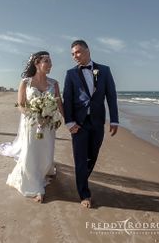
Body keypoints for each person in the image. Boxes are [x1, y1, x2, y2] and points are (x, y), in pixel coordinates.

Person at [0, 51, 63, 203]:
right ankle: (33, 186)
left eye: (50, 61)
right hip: (32, 123)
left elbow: (59, 103)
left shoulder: (54, 83)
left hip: (48, 124)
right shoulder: (25, 82)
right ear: (37, 63)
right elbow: (21, 105)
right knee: (31, 151)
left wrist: (66, 120)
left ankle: (45, 170)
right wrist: (36, 114)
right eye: (46, 61)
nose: (50, 64)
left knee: (47, 150)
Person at [63, 40, 119, 208]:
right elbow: (68, 100)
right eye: (73, 54)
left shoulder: (104, 70)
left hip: (97, 121)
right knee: (80, 159)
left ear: (88, 51)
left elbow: (111, 96)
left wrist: (114, 119)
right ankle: (84, 194)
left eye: (78, 52)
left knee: (92, 155)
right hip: (78, 123)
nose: (75, 56)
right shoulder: (70, 74)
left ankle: (81, 178)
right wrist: (69, 122)